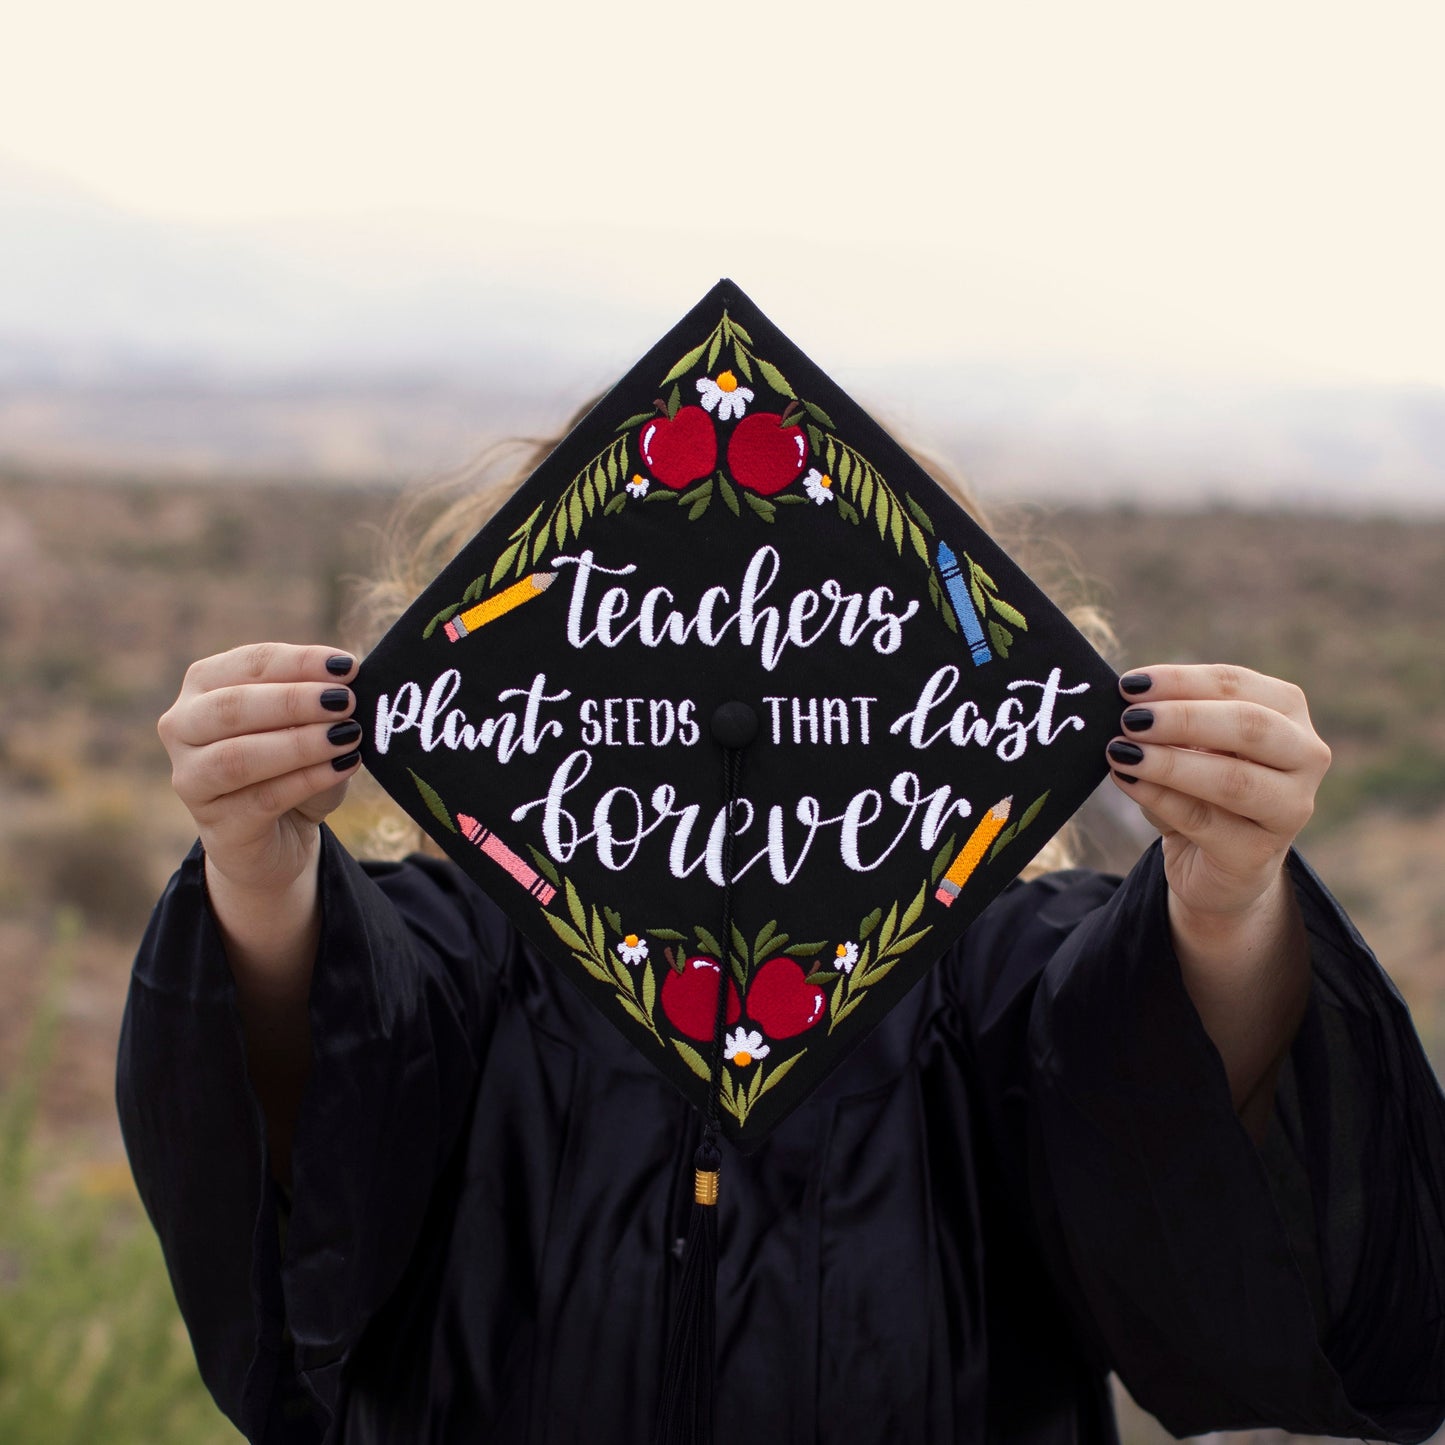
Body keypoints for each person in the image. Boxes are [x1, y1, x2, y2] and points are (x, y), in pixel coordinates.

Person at [117, 448, 1445, 1445]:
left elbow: (1123, 1057)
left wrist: (1221, 904)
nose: (730, 719)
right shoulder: (480, 948)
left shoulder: (979, 972)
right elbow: (346, 1048)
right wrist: (261, 867)